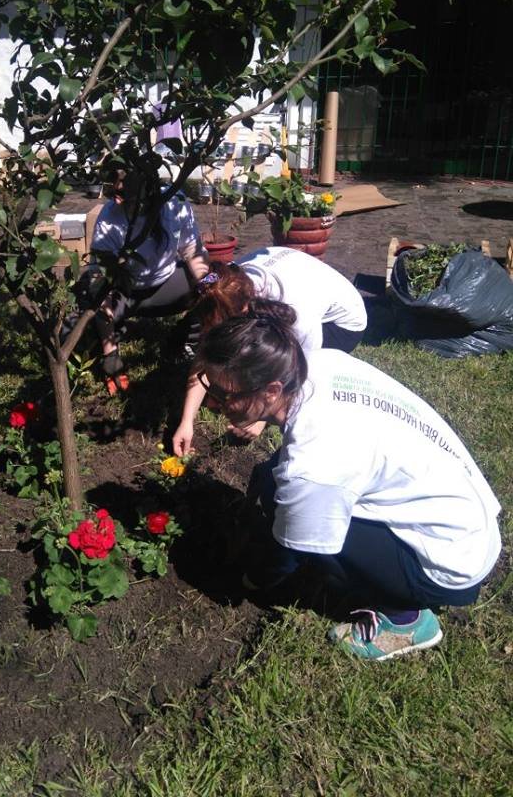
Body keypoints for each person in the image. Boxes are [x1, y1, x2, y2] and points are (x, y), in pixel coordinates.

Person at [193, 304, 501, 660]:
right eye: (210, 387)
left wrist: (253, 579)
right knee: (281, 487)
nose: (213, 404)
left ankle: (407, 620)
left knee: (304, 527)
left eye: (224, 394)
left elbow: (290, 552)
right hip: (466, 518)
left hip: (448, 565)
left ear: (272, 390)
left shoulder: (313, 461)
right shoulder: (321, 363)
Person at [172, 248, 367, 454]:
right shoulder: (224, 283)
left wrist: (260, 416)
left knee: (261, 360)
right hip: (297, 288)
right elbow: (207, 356)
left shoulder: (298, 313)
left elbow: (301, 371)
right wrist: (187, 421)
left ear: (244, 312)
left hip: (341, 323)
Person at [89, 170, 209, 393]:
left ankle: (184, 339)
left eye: (126, 191)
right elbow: (98, 279)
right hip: (126, 292)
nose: (117, 198)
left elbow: (193, 251)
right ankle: (111, 335)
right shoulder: (109, 217)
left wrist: (209, 286)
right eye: (114, 190)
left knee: (213, 286)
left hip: (168, 286)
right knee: (83, 316)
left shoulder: (174, 203)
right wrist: (110, 351)